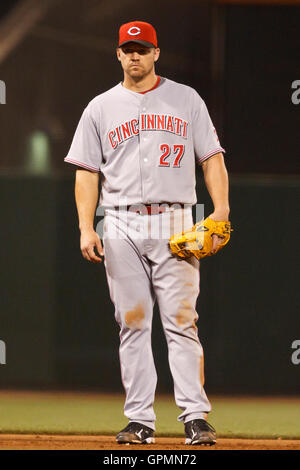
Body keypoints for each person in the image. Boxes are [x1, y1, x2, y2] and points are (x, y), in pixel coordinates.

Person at [64, 20, 230, 446]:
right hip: (118, 219)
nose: (134, 55)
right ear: (118, 54)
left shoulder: (185, 99)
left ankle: (195, 418)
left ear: (157, 53)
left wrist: (221, 210)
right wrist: (86, 227)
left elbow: (211, 158)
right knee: (132, 322)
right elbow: (86, 172)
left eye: (142, 48)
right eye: (127, 48)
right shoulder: (100, 107)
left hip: (178, 217)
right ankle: (140, 421)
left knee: (181, 321)